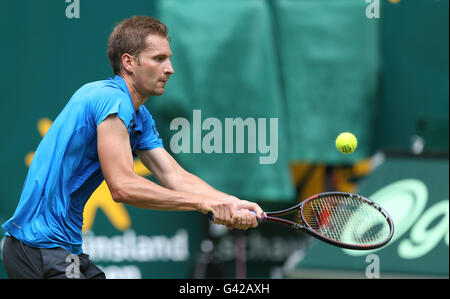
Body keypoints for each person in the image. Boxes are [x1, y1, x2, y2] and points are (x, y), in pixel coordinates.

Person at [1, 16, 263, 279]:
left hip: (62, 251)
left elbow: (173, 175)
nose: (170, 68)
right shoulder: (110, 100)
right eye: (158, 59)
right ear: (128, 62)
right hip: (38, 250)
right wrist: (203, 203)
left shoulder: (140, 116)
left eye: (169, 59)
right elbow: (123, 187)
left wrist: (228, 202)